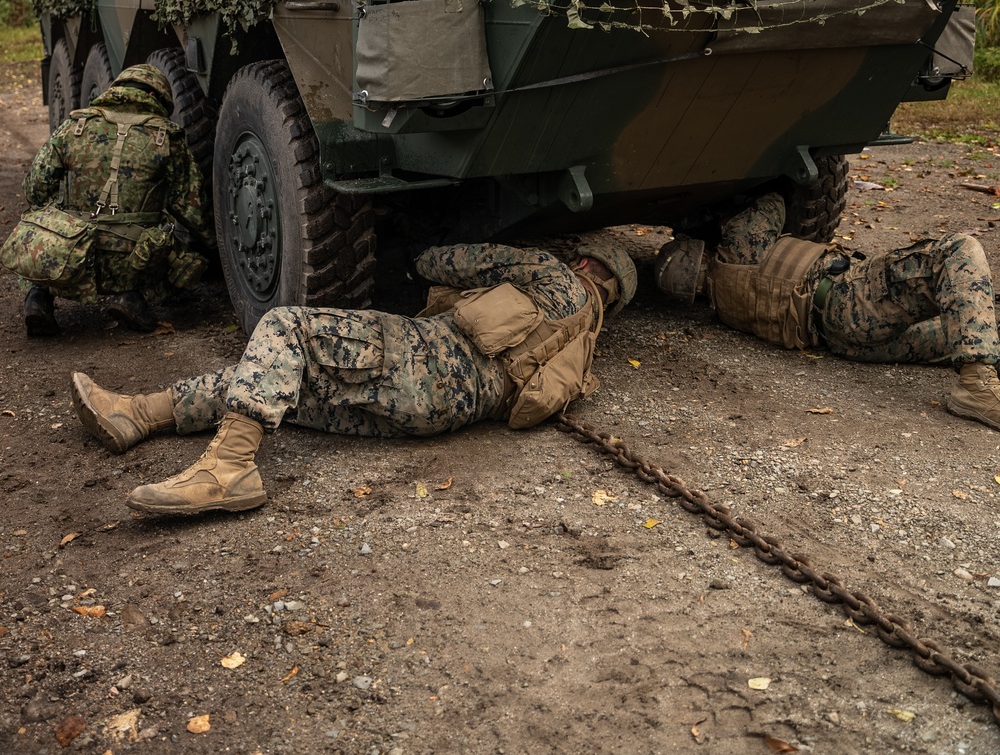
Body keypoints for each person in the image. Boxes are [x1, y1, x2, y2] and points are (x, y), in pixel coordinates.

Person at [68, 237, 637, 518]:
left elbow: (440, 263)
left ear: (585, 263)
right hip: (435, 416)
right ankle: (136, 413)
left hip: (414, 360)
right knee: (280, 380)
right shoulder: (584, 347)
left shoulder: (549, 272)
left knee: (284, 328)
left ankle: (227, 471)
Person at [654, 192, 1000, 429]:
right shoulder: (736, 250)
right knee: (957, 251)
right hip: (846, 302)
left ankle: (983, 379)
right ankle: (976, 386)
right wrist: (720, 218)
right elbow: (771, 203)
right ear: (702, 254)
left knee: (970, 323)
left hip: (848, 342)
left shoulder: (724, 307)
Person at [1, 63, 214, 336]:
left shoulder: (75, 125)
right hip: (132, 258)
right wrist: (210, 249)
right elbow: (192, 210)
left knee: (39, 229)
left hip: (70, 255)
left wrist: (58, 218)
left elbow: (35, 189)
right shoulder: (167, 136)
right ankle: (130, 296)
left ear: (115, 90)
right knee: (174, 249)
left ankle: (39, 297)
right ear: (157, 97)